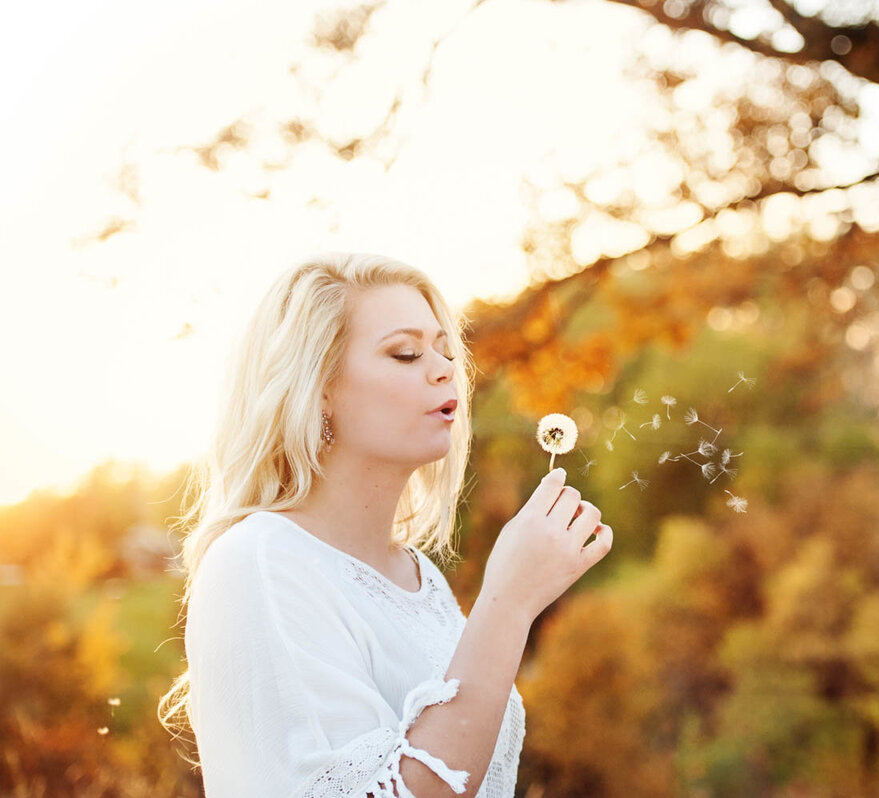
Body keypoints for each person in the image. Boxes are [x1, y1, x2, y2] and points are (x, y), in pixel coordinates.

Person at [157, 252, 614, 797]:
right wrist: (509, 603)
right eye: (406, 354)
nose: (446, 369)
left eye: (446, 350)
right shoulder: (260, 562)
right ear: (317, 387)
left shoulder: (422, 582)